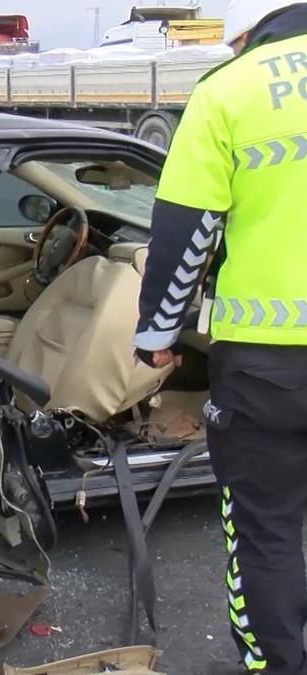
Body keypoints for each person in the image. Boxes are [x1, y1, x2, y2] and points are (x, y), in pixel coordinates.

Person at [132, 1, 307, 672]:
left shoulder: (230, 90)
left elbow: (185, 230)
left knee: (264, 535)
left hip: (266, 371)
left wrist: (159, 335)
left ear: (246, 25)